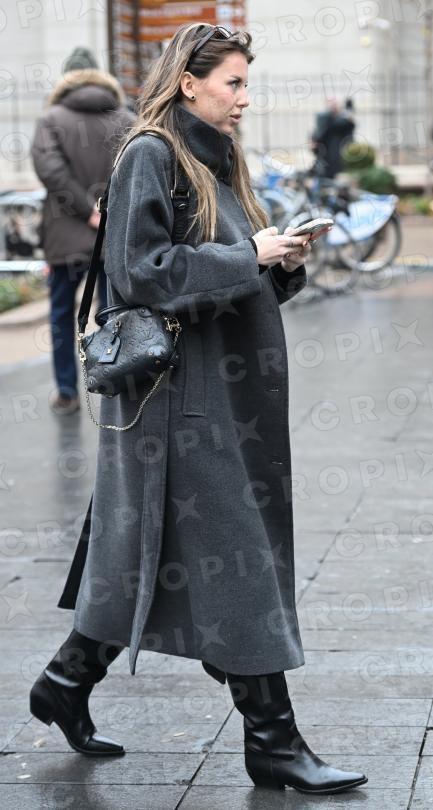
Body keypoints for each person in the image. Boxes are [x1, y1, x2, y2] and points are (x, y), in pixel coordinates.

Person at [29, 24, 368, 795]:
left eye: (247, 83)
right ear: (189, 82)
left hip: (223, 390)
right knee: (237, 561)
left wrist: (279, 260)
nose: (244, 98)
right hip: (178, 399)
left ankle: (64, 682)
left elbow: (229, 269)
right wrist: (249, 256)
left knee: (138, 551)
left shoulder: (218, 156)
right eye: (233, 83)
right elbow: (138, 273)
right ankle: (272, 742)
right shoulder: (151, 153)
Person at [31, 46, 135, 415]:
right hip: (113, 237)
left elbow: (51, 171)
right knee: (113, 313)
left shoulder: (51, 119)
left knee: (62, 316)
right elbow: (136, 171)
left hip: (64, 239)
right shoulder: (127, 119)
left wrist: (85, 209)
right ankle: (113, 387)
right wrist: (104, 212)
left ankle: (67, 392)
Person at [310, 97, 355, 179]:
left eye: (335, 104)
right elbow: (319, 136)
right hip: (327, 157)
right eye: (331, 104)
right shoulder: (325, 118)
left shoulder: (342, 121)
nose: (333, 106)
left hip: (338, 155)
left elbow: (349, 127)